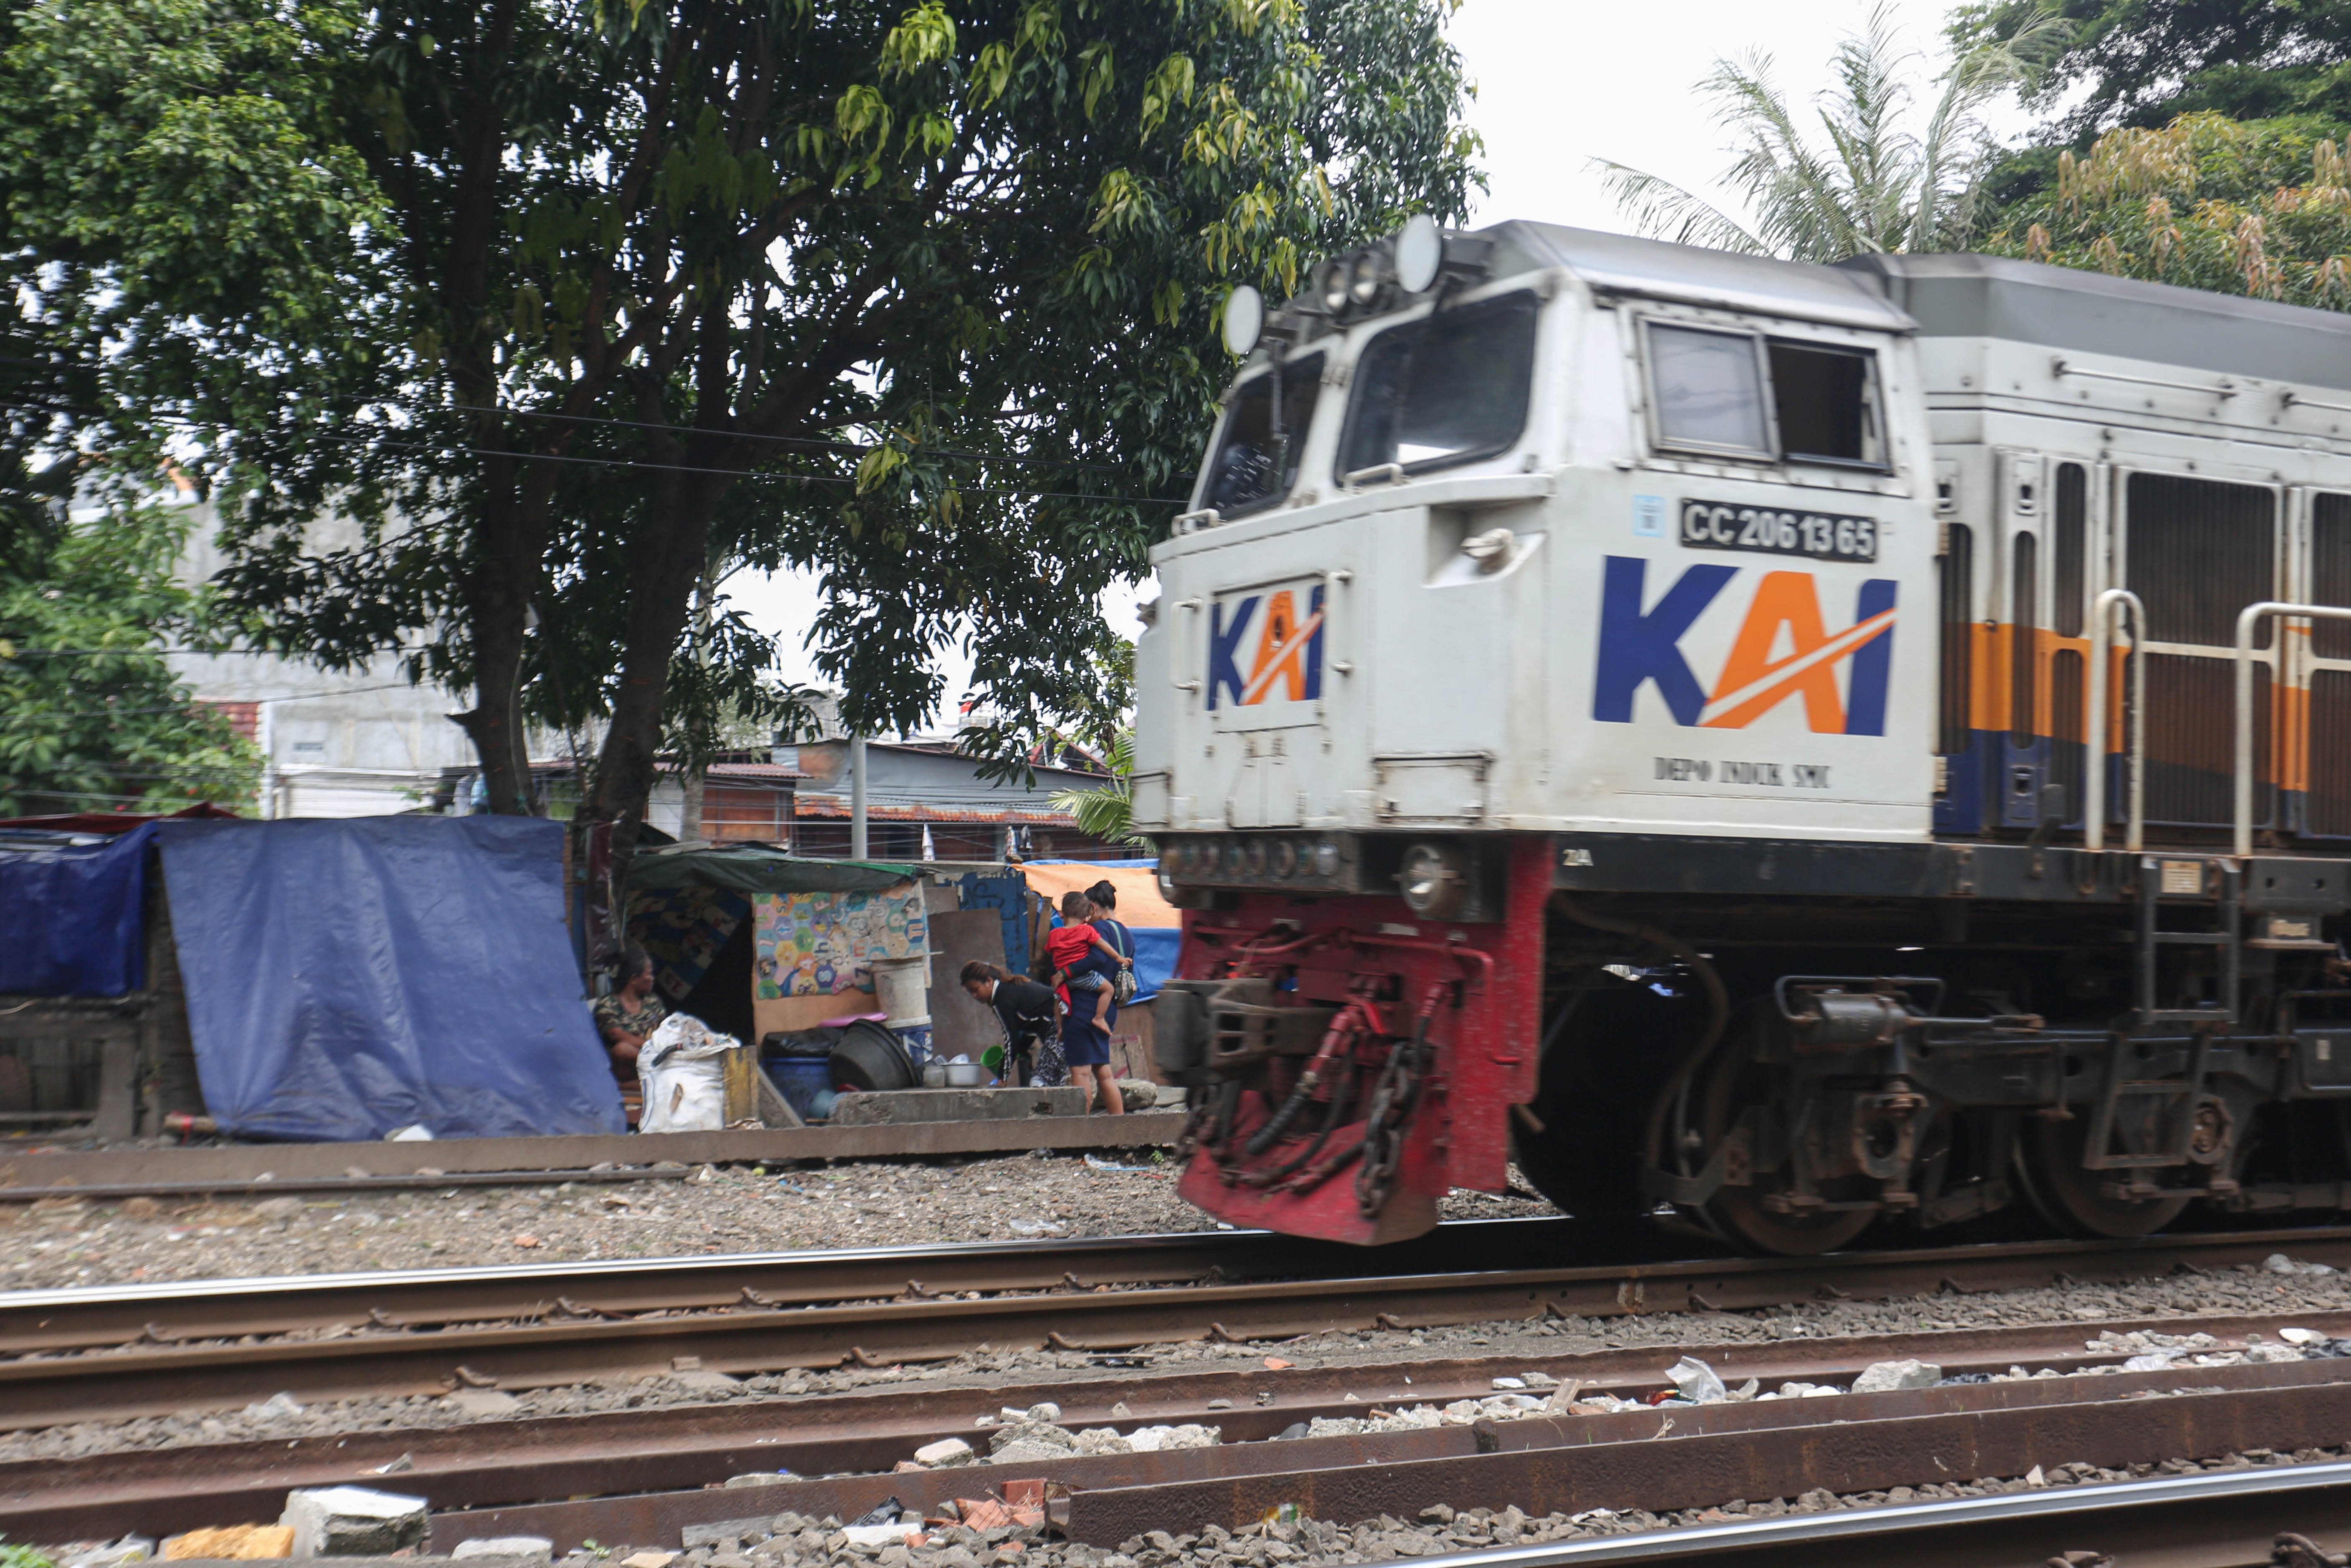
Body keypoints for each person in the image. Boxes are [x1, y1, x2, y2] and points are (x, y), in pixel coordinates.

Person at [961, 959, 1063, 1088]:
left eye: (976, 990)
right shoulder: (1008, 990)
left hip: (1061, 1025)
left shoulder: (1001, 999)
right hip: (1059, 1024)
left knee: (1040, 1082)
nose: (974, 996)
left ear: (989, 982)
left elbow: (1011, 1037)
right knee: (1057, 1081)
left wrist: (1003, 1076)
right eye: (971, 993)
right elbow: (1032, 1025)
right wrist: (1022, 1050)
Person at [1046, 890, 1131, 1037]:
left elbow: (1049, 951)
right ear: (1086, 917)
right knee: (1109, 990)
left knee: (1057, 1001)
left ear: (1061, 914)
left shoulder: (1054, 934)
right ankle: (1099, 1018)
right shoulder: (1087, 931)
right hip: (1083, 976)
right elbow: (1102, 946)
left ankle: (1060, 1028)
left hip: (1064, 981)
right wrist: (1119, 958)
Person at [593, 947, 669, 1079]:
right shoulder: (607, 1005)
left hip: (652, 1058)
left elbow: (665, 1030)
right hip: (628, 1065)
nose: (652, 979)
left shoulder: (652, 1002)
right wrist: (652, 1047)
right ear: (633, 979)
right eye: (649, 974)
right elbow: (617, 1035)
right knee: (622, 1050)